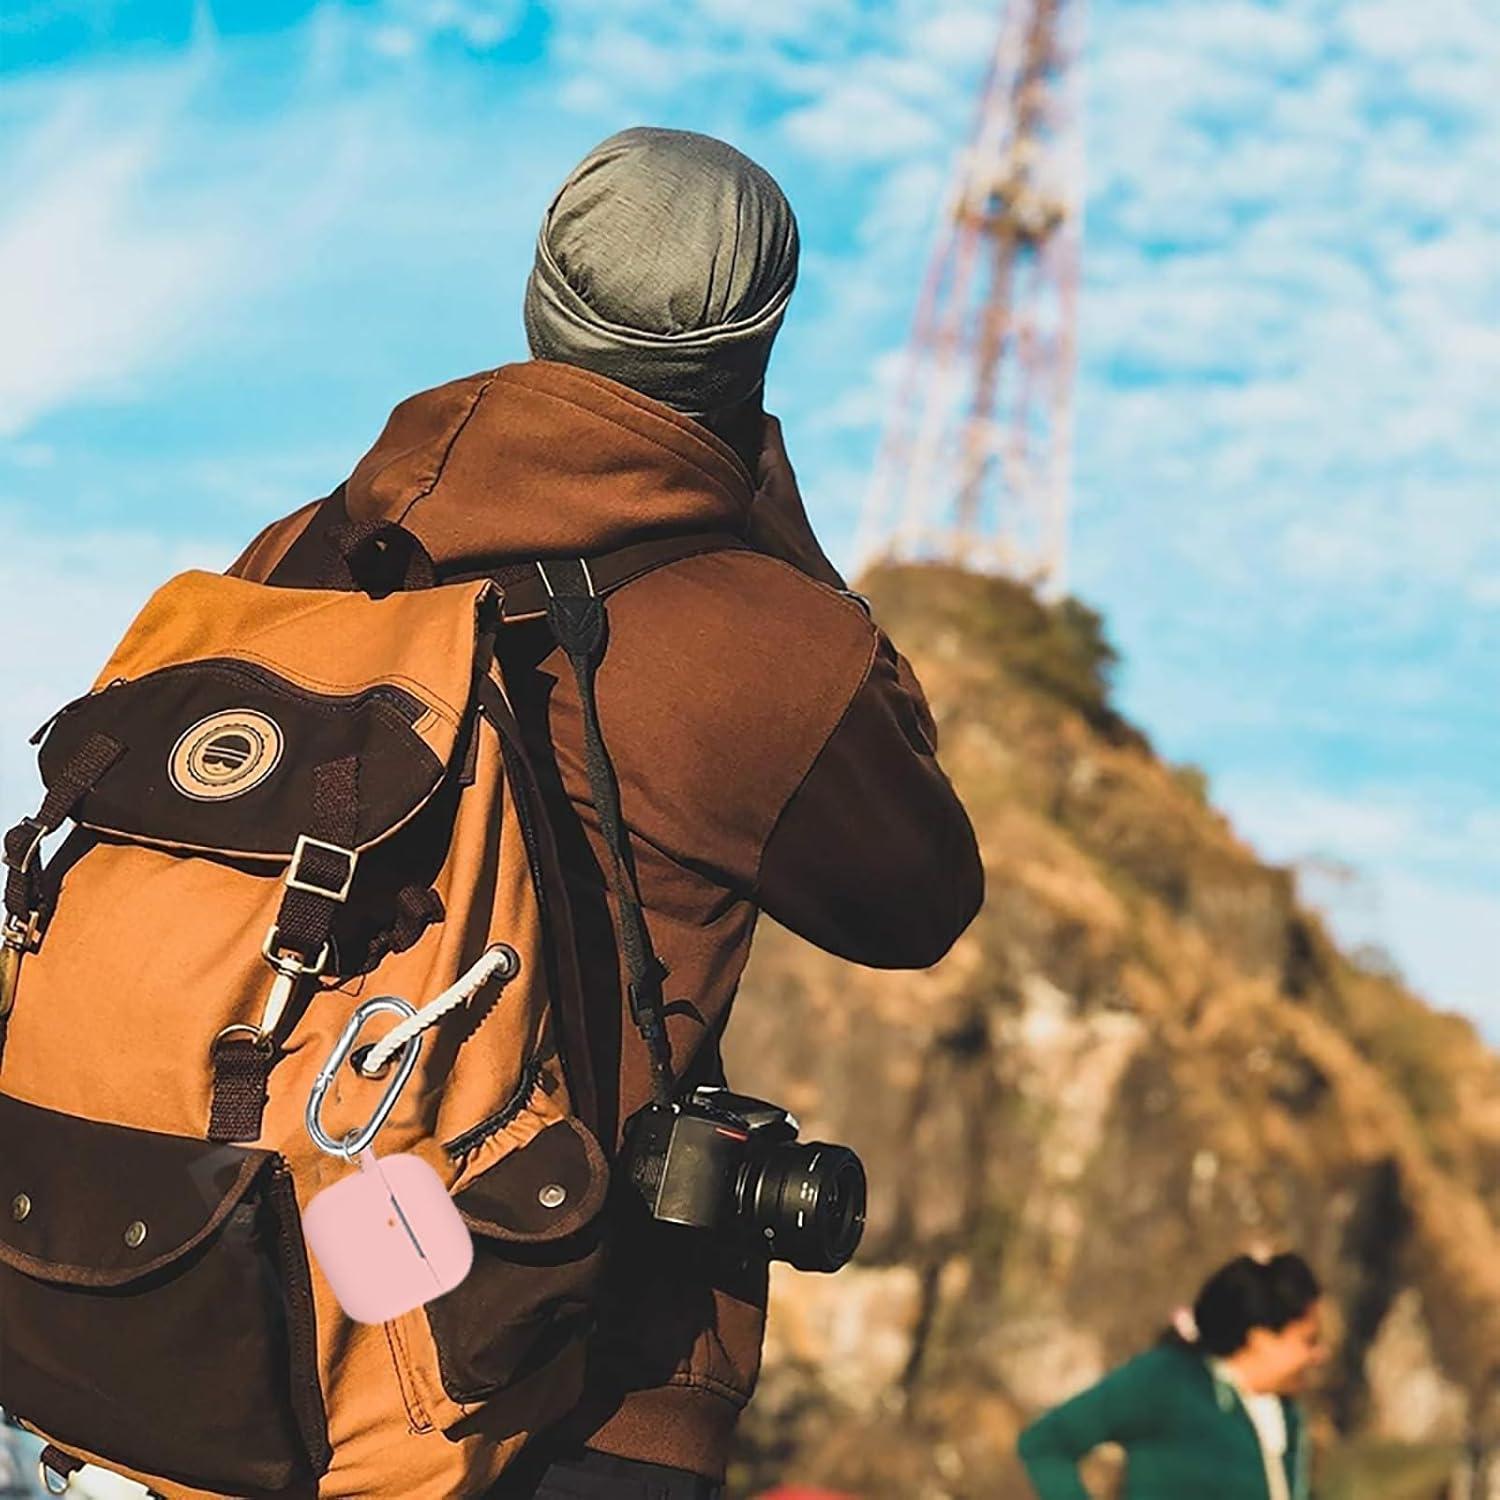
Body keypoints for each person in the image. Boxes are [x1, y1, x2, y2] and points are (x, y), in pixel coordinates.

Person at [229, 127, 984, 1499]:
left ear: (537, 306)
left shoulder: (298, 556)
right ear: (751, 358)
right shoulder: (757, 645)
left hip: (236, 1325)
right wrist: (791, 549)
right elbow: (921, 895)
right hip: (564, 1388)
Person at [1017, 1252, 1328, 1500]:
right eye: (1308, 1341)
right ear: (1259, 1338)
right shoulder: (1167, 1381)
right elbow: (1045, 1444)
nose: (1319, 1355)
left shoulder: (1286, 1417)